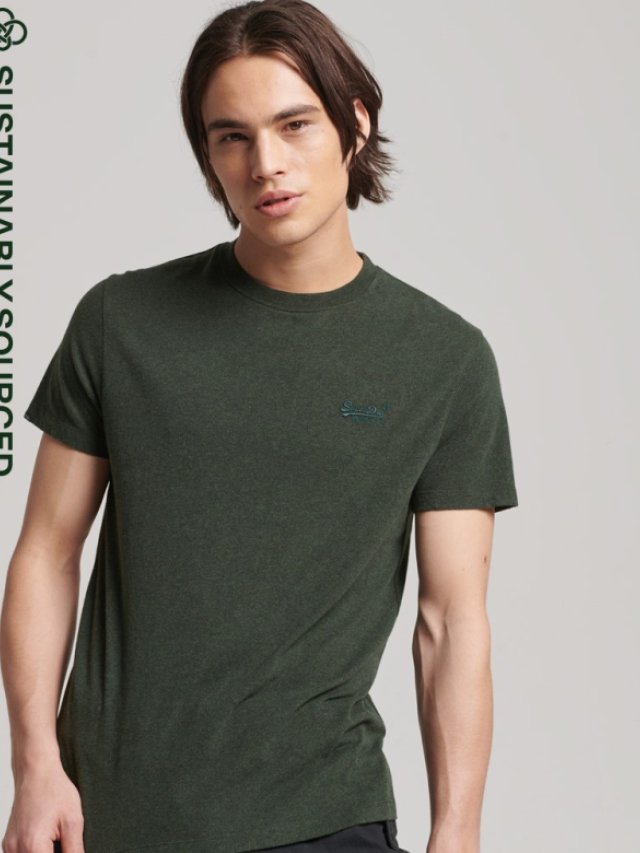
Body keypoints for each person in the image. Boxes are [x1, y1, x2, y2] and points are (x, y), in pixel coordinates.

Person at [0, 1, 519, 851]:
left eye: (295, 124)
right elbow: (46, 551)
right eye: (231, 136)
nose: (266, 163)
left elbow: (451, 619)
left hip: (324, 817)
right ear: (208, 155)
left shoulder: (444, 359)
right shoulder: (120, 322)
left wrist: (457, 833)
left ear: (355, 122)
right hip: (111, 816)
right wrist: (34, 766)